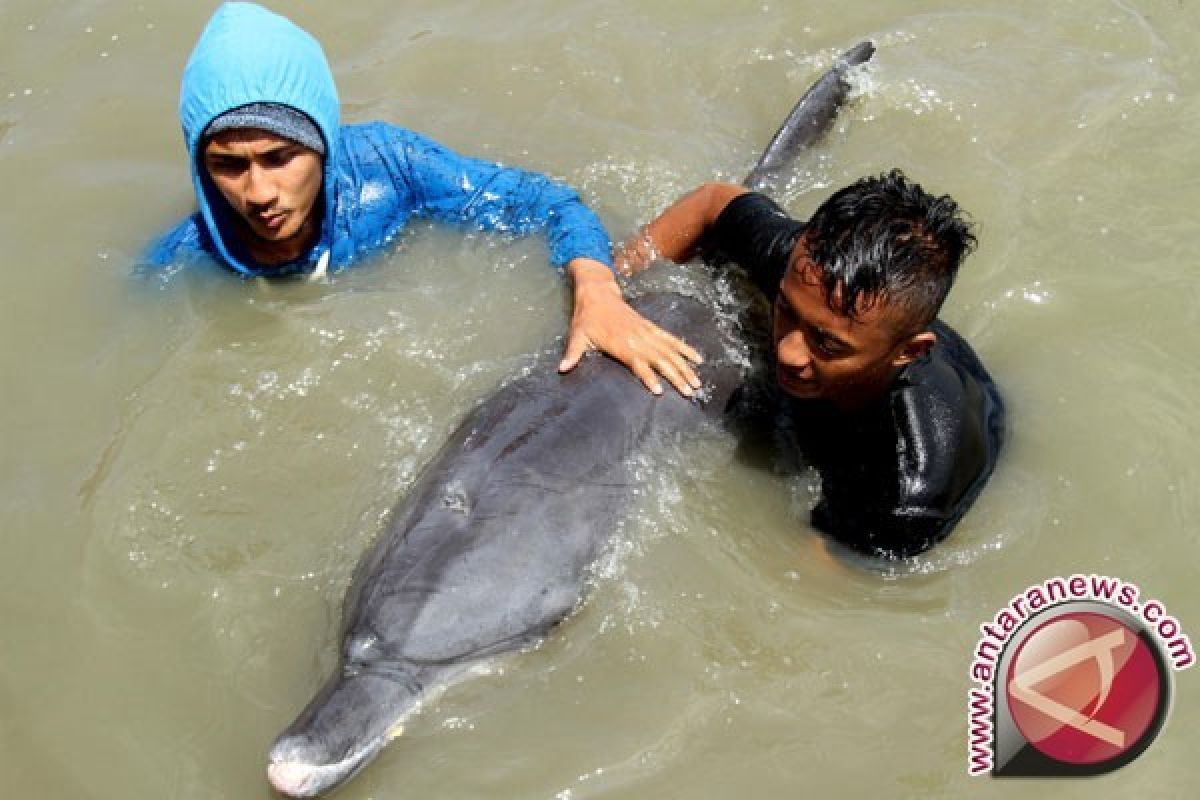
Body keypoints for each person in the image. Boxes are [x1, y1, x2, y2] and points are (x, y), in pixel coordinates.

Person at [145, 2, 700, 396]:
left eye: (280, 158)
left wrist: (598, 293)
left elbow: (550, 203)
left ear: (324, 143)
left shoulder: (395, 169)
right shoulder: (187, 260)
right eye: (228, 165)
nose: (259, 193)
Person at [617, 171, 1005, 559]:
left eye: (826, 342)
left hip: (908, 420)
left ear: (909, 352)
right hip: (868, 343)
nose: (789, 352)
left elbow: (820, 577)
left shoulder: (909, 491)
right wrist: (611, 295)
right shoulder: (812, 279)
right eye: (786, 310)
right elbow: (712, 201)